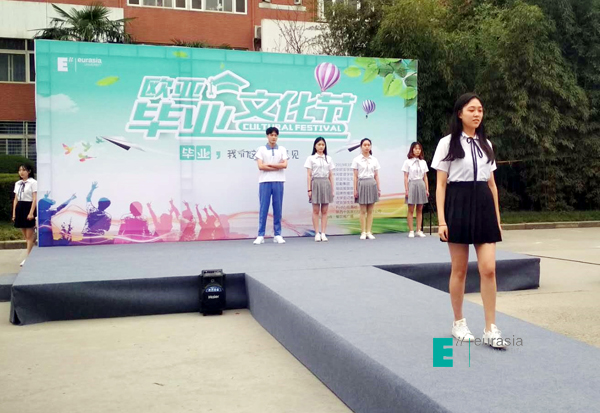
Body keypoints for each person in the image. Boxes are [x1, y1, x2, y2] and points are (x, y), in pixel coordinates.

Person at [431, 92, 504, 348]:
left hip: (483, 204)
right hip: (458, 203)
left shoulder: (487, 144)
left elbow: (492, 185)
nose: (477, 114)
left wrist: (497, 219)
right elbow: (441, 185)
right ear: (460, 113)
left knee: (489, 268)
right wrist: (442, 221)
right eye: (472, 109)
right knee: (459, 269)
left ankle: (490, 328)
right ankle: (458, 322)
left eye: (480, 110)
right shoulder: (447, 143)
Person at [253, 127, 289, 245]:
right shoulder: (261, 149)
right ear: (267, 136)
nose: (273, 137)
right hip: (265, 182)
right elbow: (260, 166)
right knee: (263, 208)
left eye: (275, 135)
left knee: (278, 208)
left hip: (278, 181)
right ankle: (260, 235)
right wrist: (277, 166)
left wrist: (268, 165)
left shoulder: (282, 149)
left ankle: (277, 234)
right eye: (271, 135)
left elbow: (284, 165)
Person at [304, 137, 335, 242]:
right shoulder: (311, 158)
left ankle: (323, 233)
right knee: (316, 210)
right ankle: (317, 233)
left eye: (323, 145)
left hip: (326, 183)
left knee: (325, 211)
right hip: (316, 183)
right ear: (315, 146)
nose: (321, 146)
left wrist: (332, 189)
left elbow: (331, 175)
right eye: (319, 144)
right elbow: (309, 175)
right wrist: (309, 190)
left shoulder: (329, 159)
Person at [352, 138, 381, 240]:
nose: (367, 147)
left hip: (372, 183)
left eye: (368, 145)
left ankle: (369, 231)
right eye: (364, 145)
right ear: (361, 147)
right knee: (363, 210)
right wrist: (355, 189)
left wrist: (378, 189)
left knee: (370, 210)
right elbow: (355, 176)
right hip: (362, 184)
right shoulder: (357, 160)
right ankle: (363, 232)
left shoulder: (374, 160)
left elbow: (376, 175)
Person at [402, 142, 430, 238]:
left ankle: (418, 230)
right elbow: (405, 176)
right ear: (412, 150)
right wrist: (406, 189)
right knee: (411, 209)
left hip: (421, 184)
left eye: (419, 149)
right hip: (412, 184)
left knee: (420, 209)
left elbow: (425, 176)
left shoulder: (423, 162)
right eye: (415, 148)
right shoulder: (407, 162)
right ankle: (411, 230)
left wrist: (427, 189)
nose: (417, 150)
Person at [12, 164, 37, 266]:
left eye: (24, 170)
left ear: (29, 171)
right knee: (26, 236)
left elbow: (34, 198)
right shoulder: (18, 183)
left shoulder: (33, 182)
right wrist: (14, 213)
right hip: (20, 208)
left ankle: (28, 258)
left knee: (29, 235)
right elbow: (16, 199)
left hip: (28, 207)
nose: (21, 172)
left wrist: (31, 212)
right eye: (20, 170)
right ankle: (31, 254)